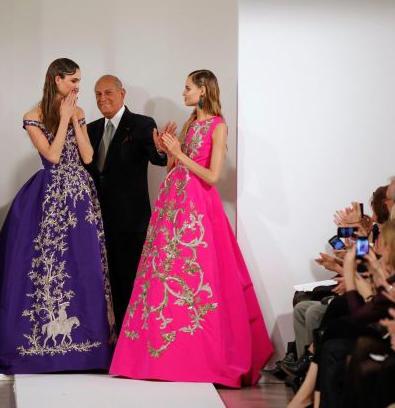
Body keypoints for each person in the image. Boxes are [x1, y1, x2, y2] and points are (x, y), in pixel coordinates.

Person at [109, 70, 273, 387]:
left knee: (196, 276)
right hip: (172, 206)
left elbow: (212, 177)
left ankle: (195, 355)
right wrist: (168, 152)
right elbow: (174, 166)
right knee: (161, 275)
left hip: (198, 209)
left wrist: (180, 154)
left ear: (203, 90)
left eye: (187, 88)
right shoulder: (190, 124)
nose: (183, 93)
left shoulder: (218, 125)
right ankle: (155, 355)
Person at [0, 58, 114, 374]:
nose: (77, 88)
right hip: (50, 197)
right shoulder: (32, 117)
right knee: (48, 265)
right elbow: (53, 155)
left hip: (81, 196)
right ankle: (42, 347)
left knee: (83, 264)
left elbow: (87, 157)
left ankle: (88, 350)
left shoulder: (80, 113)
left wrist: (73, 120)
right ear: (57, 80)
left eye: (79, 82)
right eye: (73, 81)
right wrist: (61, 118)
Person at [86, 75, 169, 327]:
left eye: (108, 92)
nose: (103, 99)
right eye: (98, 94)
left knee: (130, 284)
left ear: (122, 94)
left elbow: (158, 159)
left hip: (130, 221)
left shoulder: (142, 124)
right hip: (96, 221)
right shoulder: (90, 129)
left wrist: (162, 149)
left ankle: (131, 340)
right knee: (102, 283)